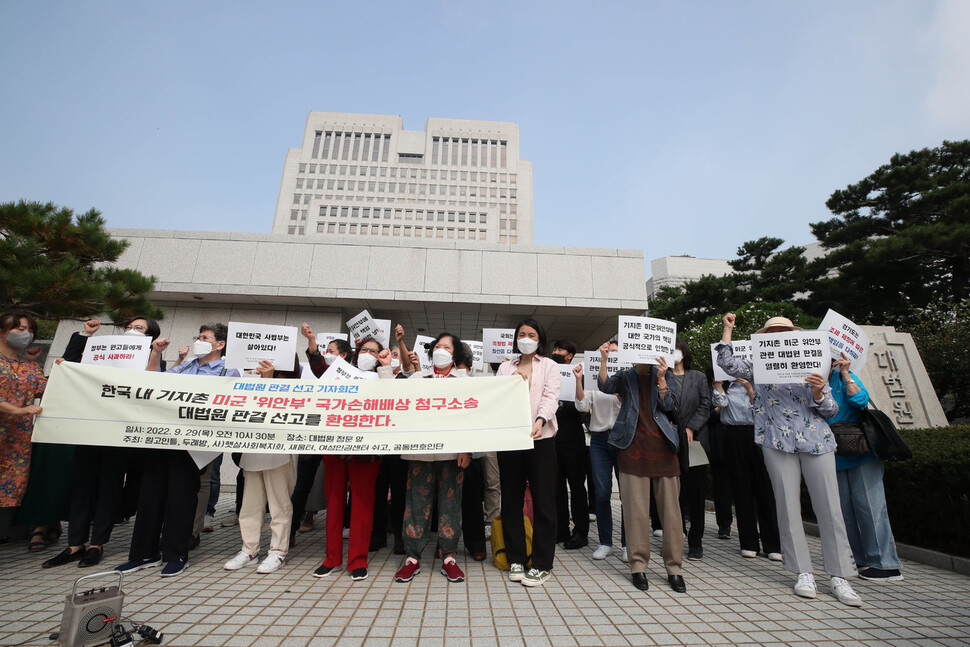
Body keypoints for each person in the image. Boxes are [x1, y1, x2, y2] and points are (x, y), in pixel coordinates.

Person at [717, 313, 862, 607]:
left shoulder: (816, 362)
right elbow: (727, 364)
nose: (778, 335)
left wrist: (819, 393)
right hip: (775, 441)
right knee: (786, 506)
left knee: (830, 508)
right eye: (773, 332)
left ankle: (839, 575)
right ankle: (803, 571)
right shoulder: (758, 365)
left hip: (817, 441)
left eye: (784, 331)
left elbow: (831, 410)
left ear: (795, 334)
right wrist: (727, 329)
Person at [115, 322, 241, 578]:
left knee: (180, 498)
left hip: (193, 446)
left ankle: (176, 554)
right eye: (198, 335)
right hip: (163, 439)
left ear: (219, 344)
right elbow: (153, 382)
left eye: (204, 337)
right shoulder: (186, 365)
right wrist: (156, 354)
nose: (199, 340)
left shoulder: (228, 370)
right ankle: (143, 553)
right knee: (150, 495)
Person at [42, 316, 161, 569]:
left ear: (149, 336)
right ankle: (75, 544)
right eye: (129, 327)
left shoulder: (149, 357)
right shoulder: (104, 351)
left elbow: (154, 381)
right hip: (89, 427)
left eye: (139, 329)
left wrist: (156, 354)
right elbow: (71, 364)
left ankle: (97, 544)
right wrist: (85, 335)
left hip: (118, 431)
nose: (131, 331)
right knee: (81, 486)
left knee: (110, 487)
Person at [598, 342, 687, 593]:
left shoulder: (666, 373)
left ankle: (674, 568)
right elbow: (605, 386)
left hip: (664, 450)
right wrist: (604, 359)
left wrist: (661, 378)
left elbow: (670, 405)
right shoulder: (626, 375)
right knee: (635, 512)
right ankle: (638, 566)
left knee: (671, 513)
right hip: (632, 449)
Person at [392, 333, 471, 584]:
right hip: (421, 451)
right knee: (416, 502)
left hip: (452, 452)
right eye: (438, 346)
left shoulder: (465, 381)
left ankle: (448, 557)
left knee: (451, 503)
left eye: (446, 347)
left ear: (454, 354)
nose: (441, 350)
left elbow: (473, 418)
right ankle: (412, 557)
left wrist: (466, 448)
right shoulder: (418, 377)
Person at [311, 336, 385, 581]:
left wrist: (386, 369)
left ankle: (357, 560)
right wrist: (312, 344)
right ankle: (331, 558)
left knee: (363, 503)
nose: (368, 353)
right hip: (336, 444)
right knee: (333, 500)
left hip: (367, 449)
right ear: (355, 352)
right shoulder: (341, 372)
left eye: (374, 351)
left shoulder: (384, 378)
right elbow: (319, 368)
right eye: (364, 349)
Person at [496, 318, 561, 587]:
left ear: (539, 338)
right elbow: (497, 395)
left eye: (531, 334)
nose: (525, 337)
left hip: (541, 439)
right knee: (510, 500)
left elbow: (551, 397)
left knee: (544, 500)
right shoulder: (504, 367)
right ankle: (516, 558)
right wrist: (511, 380)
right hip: (511, 440)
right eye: (521, 334)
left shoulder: (549, 366)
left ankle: (543, 563)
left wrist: (540, 420)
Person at [828, 353, 903, 581]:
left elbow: (860, 401)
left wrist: (845, 374)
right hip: (835, 454)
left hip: (861, 450)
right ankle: (859, 558)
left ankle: (885, 563)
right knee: (845, 511)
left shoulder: (843, 376)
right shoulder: (812, 379)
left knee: (870, 506)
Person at [223, 356, 298, 575]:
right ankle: (249, 550)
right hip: (253, 449)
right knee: (250, 504)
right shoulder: (247, 381)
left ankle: (278, 551)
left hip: (280, 452)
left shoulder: (294, 385)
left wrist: (269, 381)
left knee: (279, 504)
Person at [712, 377, 782, 561]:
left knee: (765, 489)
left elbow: (763, 409)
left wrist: (750, 388)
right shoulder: (727, 385)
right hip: (734, 435)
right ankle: (748, 542)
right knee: (741, 488)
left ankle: (773, 544)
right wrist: (718, 385)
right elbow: (720, 405)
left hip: (760, 434)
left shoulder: (761, 381)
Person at [573, 343, 624, 561]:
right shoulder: (594, 379)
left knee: (628, 495)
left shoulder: (627, 378)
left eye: (614, 352)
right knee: (602, 493)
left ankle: (627, 544)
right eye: (607, 351)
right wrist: (578, 380)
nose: (610, 354)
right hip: (600, 440)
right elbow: (582, 406)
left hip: (624, 440)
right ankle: (605, 541)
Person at [0, 312, 47, 545]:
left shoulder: (30, 366)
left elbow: (46, 390)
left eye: (28, 329)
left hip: (18, 437)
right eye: (17, 328)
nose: (24, 333)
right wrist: (16, 409)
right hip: (8, 424)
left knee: (11, 484)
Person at [666, 337, 711, 561]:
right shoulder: (663, 378)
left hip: (695, 441)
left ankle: (696, 541)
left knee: (696, 492)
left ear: (684, 352)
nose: (674, 354)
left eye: (677, 350)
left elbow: (706, 404)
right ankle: (676, 536)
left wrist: (692, 427)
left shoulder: (699, 377)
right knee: (674, 493)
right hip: (670, 440)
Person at [551, 339, 589, 550]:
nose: (556, 352)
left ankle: (580, 532)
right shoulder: (548, 371)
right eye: (555, 349)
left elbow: (584, 406)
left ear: (570, 355)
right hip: (552, 438)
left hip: (573, 439)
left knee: (576, 486)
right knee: (556, 488)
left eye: (561, 350)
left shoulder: (578, 373)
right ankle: (561, 529)